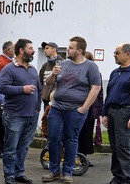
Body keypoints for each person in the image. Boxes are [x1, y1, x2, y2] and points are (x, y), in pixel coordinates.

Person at [42, 36, 101, 183]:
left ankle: (67, 172)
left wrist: (83, 108)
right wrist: (53, 75)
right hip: (56, 108)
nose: (67, 50)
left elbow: (96, 88)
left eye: (70, 48)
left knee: (71, 140)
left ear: (79, 51)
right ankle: (54, 171)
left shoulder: (90, 66)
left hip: (75, 110)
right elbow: (48, 83)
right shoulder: (63, 63)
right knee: (53, 139)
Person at [102, 43, 130, 184]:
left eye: (117, 52)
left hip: (125, 113)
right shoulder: (115, 72)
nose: (114, 55)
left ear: (127, 54)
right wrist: (105, 113)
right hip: (112, 112)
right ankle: (118, 177)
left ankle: (128, 179)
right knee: (115, 147)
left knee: (123, 148)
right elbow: (109, 94)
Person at [0, 38, 41, 184]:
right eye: (30, 48)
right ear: (21, 50)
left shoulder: (32, 69)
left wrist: (37, 109)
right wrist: (23, 89)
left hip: (31, 115)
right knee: (11, 148)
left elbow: (39, 91)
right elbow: (2, 88)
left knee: (24, 147)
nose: (33, 50)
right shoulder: (9, 69)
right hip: (14, 115)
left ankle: (19, 173)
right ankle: (9, 175)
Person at [79, 51, 104, 162]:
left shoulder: (95, 73)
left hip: (91, 108)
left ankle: (84, 157)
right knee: (79, 133)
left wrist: (100, 110)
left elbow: (99, 92)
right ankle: (79, 156)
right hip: (80, 106)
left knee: (87, 133)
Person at [39, 41, 64, 108]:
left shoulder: (63, 63)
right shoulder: (45, 65)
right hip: (46, 102)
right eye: (44, 49)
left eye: (47, 48)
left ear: (54, 49)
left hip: (59, 101)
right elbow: (40, 81)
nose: (45, 51)